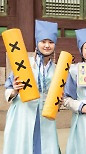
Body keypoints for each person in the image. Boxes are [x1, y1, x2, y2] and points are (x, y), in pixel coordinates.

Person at [3, 20, 61, 154]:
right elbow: (8, 89)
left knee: (45, 147)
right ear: (37, 43)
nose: (47, 45)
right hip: (23, 112)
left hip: (44, 114)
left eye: (51, 42)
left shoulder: (58, 69)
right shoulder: (24, 63)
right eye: (43, 41)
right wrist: (15, 90)